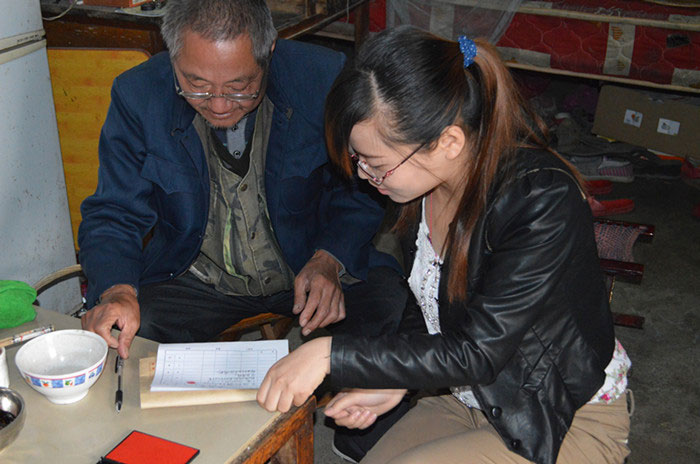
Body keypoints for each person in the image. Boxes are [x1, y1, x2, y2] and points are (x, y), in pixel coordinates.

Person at [256, 26, 632, 464]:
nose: (363, 175)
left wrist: (330, 353)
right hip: (474, 396)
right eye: (359, 160)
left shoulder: (542, 198)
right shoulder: (425, 188)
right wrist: (397, 381)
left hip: (555, 414)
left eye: (376, 164)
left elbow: (479, 350)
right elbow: (430, 305)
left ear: (448, 142)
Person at [78, 0, 406, 363]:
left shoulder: (322, 78)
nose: (219, 106)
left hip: (307, 263)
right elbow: (113, 212)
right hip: (196, 278)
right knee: (127, 337)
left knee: (386, 307)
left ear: (269, 51)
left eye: (240, 86)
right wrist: (118, 291)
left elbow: (361, 188)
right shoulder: (139, 96)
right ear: (173, 55)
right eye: (196, 84)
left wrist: (330, 258)